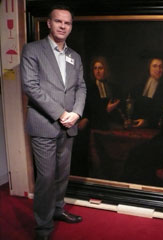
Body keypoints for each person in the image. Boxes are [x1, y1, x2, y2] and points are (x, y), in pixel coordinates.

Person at [20, 4, 86, 240]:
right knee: (46, 178)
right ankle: (43, 227)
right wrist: (61, 113)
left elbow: (81, 87)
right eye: (58, 21)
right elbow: (30, 87)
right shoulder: (32, 50)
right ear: (49, 23)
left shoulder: (74, 56)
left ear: (70, 27)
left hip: (69, 125)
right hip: (44, 124)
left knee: (62, 174)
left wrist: (76, 113)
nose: (62, 26)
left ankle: (57, 210)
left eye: (67, 23)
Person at [131, 58, 163, 128]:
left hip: (155, 127)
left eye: (160, 67)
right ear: (149, 68)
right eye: (154, 66)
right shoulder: (138, 88)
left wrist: (147, 122)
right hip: (136, 126)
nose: (158, 69)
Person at [82, 56, 123, 130]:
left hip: (112, 125)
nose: (97, 71)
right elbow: (89, 113)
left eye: (100, 68)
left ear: (106, 70)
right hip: (96, 126)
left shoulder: (113, 88)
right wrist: (107, 110)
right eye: (95, 68)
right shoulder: (89, 89)